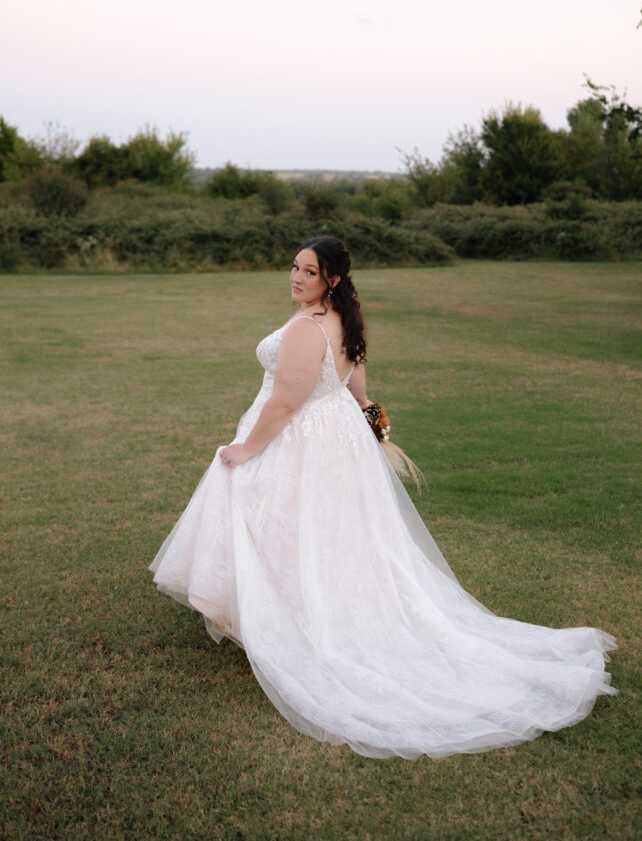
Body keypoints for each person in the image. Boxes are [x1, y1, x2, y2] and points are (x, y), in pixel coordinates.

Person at [150, 236, 616, 759]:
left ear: (332, 280)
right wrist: (377, 434)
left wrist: (245, 449)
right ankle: (284, 611)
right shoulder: (346, 321)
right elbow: (361, 392)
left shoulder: (308, 327)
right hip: (340, 440)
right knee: (330, 536)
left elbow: (284, 404)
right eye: (294, 267)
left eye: (309, 272)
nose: (295, 278)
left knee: (276, 521)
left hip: (302, 441)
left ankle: (289, 623)